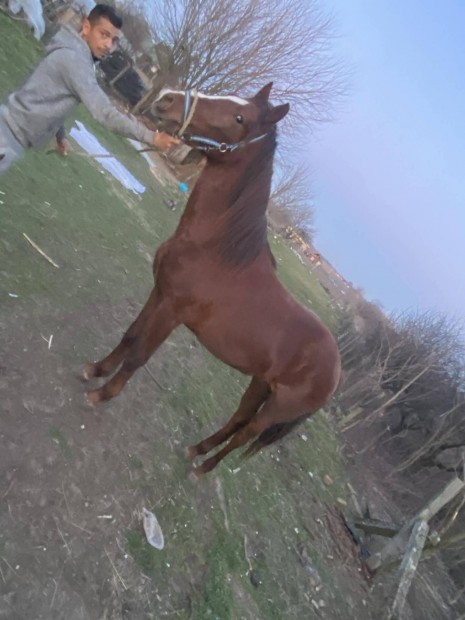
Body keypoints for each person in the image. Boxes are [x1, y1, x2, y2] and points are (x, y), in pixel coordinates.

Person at [0, 3, 178, 175]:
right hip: (7, 137)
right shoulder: (76, 62)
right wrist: (152, 138)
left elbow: (50, 98)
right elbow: (105, 113)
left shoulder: (74, 53)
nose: (108, 45)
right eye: (104, 34)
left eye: (113, 40)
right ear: (86, 27)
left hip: (11, 134)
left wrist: (60, 136)